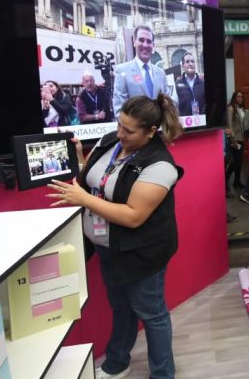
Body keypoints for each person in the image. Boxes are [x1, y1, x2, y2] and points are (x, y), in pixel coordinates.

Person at [48, 94, 184, 379]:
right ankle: (117, 362)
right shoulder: (111, 140)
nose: (121, 133)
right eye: (119, 124)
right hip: (108, 246)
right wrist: (78, 158)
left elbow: (133, 216)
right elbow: (95, 180)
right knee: (121, 307)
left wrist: (83, 199)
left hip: (142, 252)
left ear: (150, 132)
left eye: (129, 130)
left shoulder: (160, 165)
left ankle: (163, 374)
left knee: (152, 314)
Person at [113, 25, 169, 115]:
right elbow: (120, 111)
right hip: (134, 129)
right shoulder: (121, 71)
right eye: (141, 40)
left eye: (149, 41)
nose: (145, 45)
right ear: (134, 42)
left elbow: (167, 106)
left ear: (153, 45)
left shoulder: (161, 73)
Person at [225, 90, 245, 195]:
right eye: (238, 97)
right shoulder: (231, 108)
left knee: (239, 162)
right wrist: (233, 140)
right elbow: (229, 125)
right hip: (235, 139)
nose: (240, 98)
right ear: (234, 98)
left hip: (242, 138)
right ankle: (225, 180)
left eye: (241, 97)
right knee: (234, 161)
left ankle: (237, 181)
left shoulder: (241, 109)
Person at [175, 52, 205, 116]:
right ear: (183, 65)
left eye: (192, 61)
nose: (190, 64)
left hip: (201, 121)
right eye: (187, 62)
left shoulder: (203, 84)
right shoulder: (177, 85)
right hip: (185, 123)